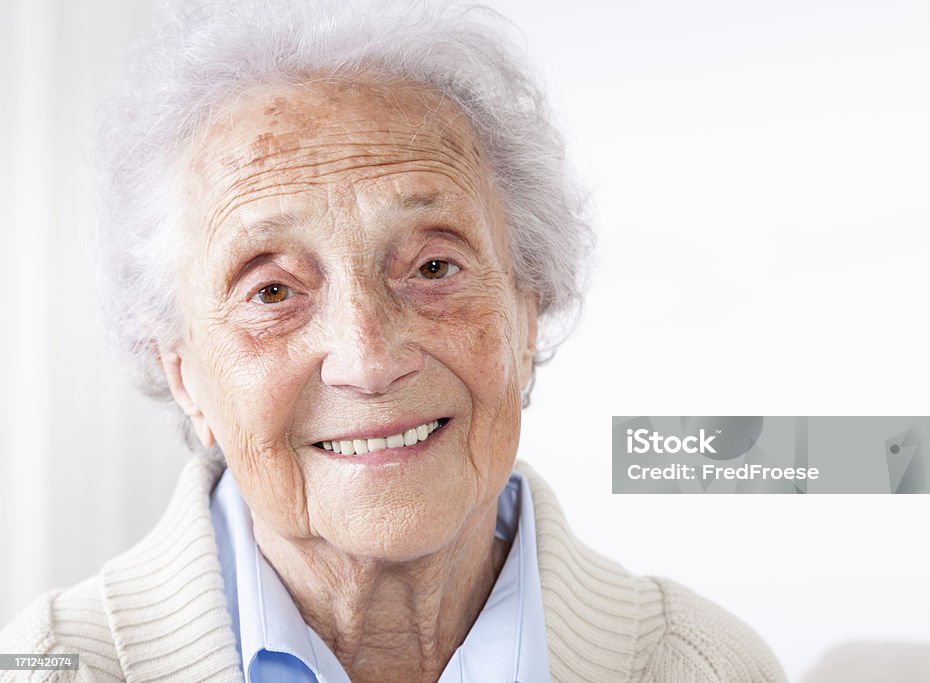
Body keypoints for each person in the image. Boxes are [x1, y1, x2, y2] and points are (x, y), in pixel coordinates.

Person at [0, 1, 786, 681]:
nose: (368, 358)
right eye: (272, 291)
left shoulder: (706, 665)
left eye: (434, 266)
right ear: (185, 375)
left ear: (526, 315)